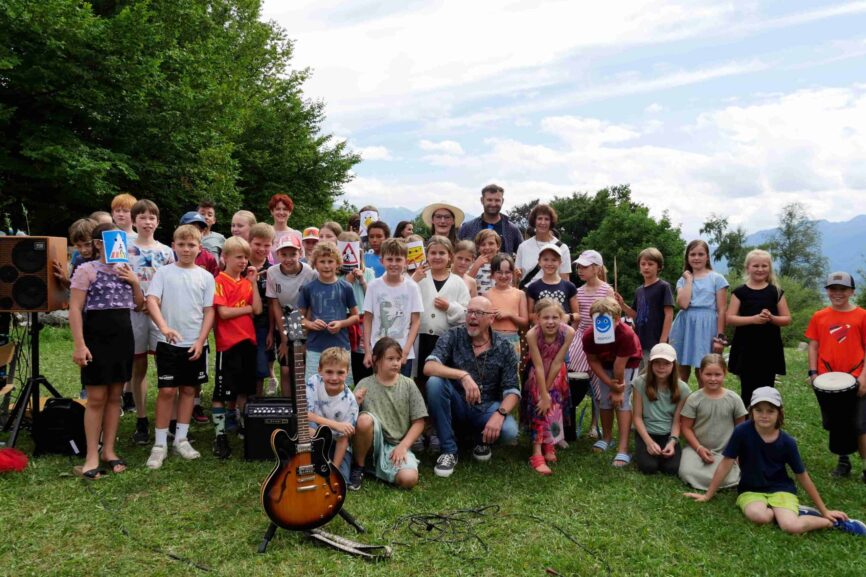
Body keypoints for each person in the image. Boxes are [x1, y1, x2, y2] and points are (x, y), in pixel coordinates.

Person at [685, 387, 866, 537]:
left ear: (779, 413)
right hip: (751, 490)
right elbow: (726, 463)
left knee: (791, 527)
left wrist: (825, 510)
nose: (764, 415)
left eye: (770, 411)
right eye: (759, 410)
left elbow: (802, 476)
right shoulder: (741, 432)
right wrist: (708, 495)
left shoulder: (787, 442)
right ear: (751, 411)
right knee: (758, 517)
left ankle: (831, 523)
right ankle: (790, 511)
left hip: (781, 489)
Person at [69, 223, 144, 479]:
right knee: (97, 399)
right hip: (96, 339)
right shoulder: (86, 270)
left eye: (120, 240)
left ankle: (109, 450)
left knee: (115, 397)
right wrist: (80, 345)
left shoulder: (126, 270)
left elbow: (139, 304)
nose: (117, 245)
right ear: (99, 243)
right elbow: (75, 309)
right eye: (112, 240)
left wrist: (134, 282)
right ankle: (92, 454)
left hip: (123, 338)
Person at [424, 296, 521, 477]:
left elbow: (513, 390)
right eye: (469, 312)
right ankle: (449, 451)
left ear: (491, 318)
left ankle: (479, 440)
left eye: (479, 313)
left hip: (486, 408)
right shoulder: (453, 335)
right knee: (435, 383)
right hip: (457, 405)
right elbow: (429, 366)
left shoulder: (504, 347)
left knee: (509, 431)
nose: (472, 317)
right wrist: (463, 375)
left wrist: (500, 415)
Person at [145, 224, 215, 469]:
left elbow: (209, 311)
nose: (186, 249)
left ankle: (182, 439)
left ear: (199, 248)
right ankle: (160, 443)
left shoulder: (206, 277)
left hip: (195, 344)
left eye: (191, 245)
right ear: (173, 246)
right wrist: (164, 327)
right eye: (181, 245)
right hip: (168, 344)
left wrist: (200, 340)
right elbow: (151, 300)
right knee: (166, 391)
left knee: (188, 391)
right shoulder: (164, 273)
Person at [805, 271, 866, 480]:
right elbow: (813, 346)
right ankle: (844, 461)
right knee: (836, 422)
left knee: (860, 423)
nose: (838, 293)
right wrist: (813, 373)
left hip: (857, 377)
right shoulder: (819, 316)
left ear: (851, 291)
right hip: (828, 380)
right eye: (833, 289)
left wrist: (864, 378)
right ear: (827, 291)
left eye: (843, 289)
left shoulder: (862, 316)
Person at [349, 338, 427, 490]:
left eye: (398, 359)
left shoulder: (408, 385)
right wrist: (354, 402)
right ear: (376, 360)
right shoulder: (364, 384)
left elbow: (419, 422)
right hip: (370, 444)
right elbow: (350, 419)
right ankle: (359, 466)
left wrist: (403, 446)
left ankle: (376, 469)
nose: (396, 363)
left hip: (396, 446)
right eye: (390, 359)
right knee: (364, 420)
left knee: (408, 479)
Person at [128, 199, 176, 445]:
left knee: (165, 367)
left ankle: (169, 421)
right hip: (134, 313)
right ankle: (142, 419)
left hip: (159, 316)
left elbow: (172, 281)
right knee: (138, 368)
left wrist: (156, 305)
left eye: (152, 218)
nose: (147, 222)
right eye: (142, 217)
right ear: (134, 220)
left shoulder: (166, 251)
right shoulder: (123, 248)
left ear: (158, 221)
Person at [209, 236, 261, 459]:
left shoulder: (247, 282)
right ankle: (219, 435)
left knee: (244, 389)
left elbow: (257, 309)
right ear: (226, 257)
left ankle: (242, 424)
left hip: (247, 341)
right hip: (227, 343)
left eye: (246, 258)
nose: (243, 262)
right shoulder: (219, 280)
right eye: (239, 257)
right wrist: (246, 309)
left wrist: (254, 282)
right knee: (222, 391)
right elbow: (223, 313)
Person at [583, 298, 642, 466]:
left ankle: (623, 448)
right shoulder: (589, 335)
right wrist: (610, 384)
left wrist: (618, 389)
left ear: (617, 319)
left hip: (627, 363)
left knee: (622, 402)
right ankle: (607, 438)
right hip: (604, 364)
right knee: (604, 400)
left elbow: (619, 365)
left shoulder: (626, 334)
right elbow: (593, 361)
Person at [726, 249, 790, 404]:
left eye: (764, 266)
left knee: (767, 387)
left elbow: (787, 319)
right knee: (747, 388)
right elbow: (730, 318)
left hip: (769, 347)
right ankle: (748, 420)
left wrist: (772, 318)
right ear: (747, 268)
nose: (760, 269)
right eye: (756, 266)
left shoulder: (776, 292)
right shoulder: (740, 292)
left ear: (770, 268)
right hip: (746, 347)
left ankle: (766, 418)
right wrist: (753, 319)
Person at [678, 354, 747, 490]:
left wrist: (736, 453)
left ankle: (723, 476)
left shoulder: (734, 399)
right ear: (700, 373)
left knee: (733, 467)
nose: (713, 379)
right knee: (686, 471)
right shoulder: (694, 399)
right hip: (697, 449)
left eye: (717, 374)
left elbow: (741, 429)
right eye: (708, 374)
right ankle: (721, 479)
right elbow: (686, 428)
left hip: (726, 451)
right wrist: (699, 448)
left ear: (724, 373)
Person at [522, 298, 575, 474]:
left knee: (554, 404)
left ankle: (549, 443)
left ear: (561, 317)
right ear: (538, 318)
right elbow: (537, 365)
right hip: (538, 372)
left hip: (556, 371)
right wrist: (543, 393)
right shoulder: (532, 334)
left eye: (554, 317)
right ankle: (536, 452)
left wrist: (548, 392)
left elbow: (558, 361)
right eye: (545, 318)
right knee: (540, 401)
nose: (550, 322)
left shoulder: (568, 332)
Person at [566, 249, 613, 436]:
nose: (580, 269)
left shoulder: (607, 290)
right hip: (580, 338)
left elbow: (610, 318)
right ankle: (568, 420)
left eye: (585, 266)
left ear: (597, 268)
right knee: (573, 376)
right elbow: (577, 319)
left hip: (601, 338)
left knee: (599, 383)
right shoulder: (577, 291)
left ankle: (595, 425)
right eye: (579, 266)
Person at [298, 242, 359, 385]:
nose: (326, 266)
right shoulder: (308, 289)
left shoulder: (346, 287)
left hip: (340, 346)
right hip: (315, 347)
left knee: (342, 387)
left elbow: (356, 316)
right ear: (315, 264)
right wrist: (311, 324)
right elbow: (298, 318)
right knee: (313, 388)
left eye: (330, 261)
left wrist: (341, 324)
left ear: (337, 263)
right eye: (322, 262)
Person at [669, 240, 729, 382]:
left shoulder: (717, 279)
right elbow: (683, 304)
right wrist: (689, 279)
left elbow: (722, 310)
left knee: (703, 370)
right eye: (692, 254)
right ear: (687, 257)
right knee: (681, 372)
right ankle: (682, 403)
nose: (696, 258)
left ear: (707, 257)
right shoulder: (683, 280)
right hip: (685, 324)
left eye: (700, 254)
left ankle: (705, 403)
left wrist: (720, 338)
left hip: (707, 326)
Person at [363, 238, 423, 378]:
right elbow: (367, 319)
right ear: (382, 261)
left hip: (402, 352)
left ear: (406, 262)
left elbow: (416, 321)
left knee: (402, 392)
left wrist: (406, 351)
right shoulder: (373, 286)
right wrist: (367, 350)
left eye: (398, 259)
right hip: (378, 352)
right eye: (390, 259)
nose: (394, 264)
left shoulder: (412, 287)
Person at [266, 235, 317, 395]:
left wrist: (304, 333)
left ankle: (302, 401)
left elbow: (311, 304)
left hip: (303, 319)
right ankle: (288, 403)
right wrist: (283, 338)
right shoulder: (272, 273)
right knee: (286, 368)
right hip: (284, 319)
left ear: (300, 253)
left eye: (292, 254)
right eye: (284, 254)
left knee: (301, 366)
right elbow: (274, 304)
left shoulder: (309, 273)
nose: (288, 259)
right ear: (277, 255)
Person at [632, 343, 690, 475]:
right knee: (649, 467)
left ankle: (666, 447)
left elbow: (677, 421)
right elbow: (637, 417)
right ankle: (643, 446)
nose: (661, 367)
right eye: (657, 362)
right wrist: (648, 442)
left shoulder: (683, 389)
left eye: (666, 363)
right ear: (650, 363)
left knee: (671, 469)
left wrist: (672, 441)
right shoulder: (640, 383)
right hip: (646, 431)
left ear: (674, 365)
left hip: (668, 432)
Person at [615, 247, 674, 368]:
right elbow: (636, 315)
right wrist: (622, 304)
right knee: (641, 377)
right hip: (640, 341)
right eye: (643, 264)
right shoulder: (639, 291)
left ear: (659, 267)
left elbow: (669, 313)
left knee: (653, 375)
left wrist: (663, 340)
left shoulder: (663, 287)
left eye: (650, 264)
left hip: (656, 340)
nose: (646, 267)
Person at [307, 347, 359, 481]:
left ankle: (342, 464)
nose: (334, 378)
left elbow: (343, 439)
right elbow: (306, 415)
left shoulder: (351, 402)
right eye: (329, 372)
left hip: (337, 442)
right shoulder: (314, 382)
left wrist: (334, 469)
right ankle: (310, 458)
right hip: (316, 437)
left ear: (347, 372)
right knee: (308, 428)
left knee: (340, 479)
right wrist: (337, 425)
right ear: (320, 370)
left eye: (340, 372)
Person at [337, 231, 375, 383]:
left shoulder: (369, 273)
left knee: (361, 360)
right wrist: (348, 280)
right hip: (342, 320)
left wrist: (361, 280)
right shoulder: (336, 276)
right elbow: (337, 296)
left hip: (362, 320)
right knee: (342, 358)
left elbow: (371, 297)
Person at [248, 223, 276, 395]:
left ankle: (256, 404)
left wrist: (271, 331)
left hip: (263, 324)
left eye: (267, 245)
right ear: (249, 242)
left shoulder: (272, 271)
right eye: (257, 244)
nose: (262, 249)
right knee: (241, 367)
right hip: (241, 323)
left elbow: (273, 303)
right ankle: (235, 406)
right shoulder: (241, 265)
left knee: (260, 367)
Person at [515, 203, 571, 287]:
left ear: (551, 222)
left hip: (553, 296)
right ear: (534, 221)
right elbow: (516, 278)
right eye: (539, 218)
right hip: (527, 295)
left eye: (546, 219)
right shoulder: (523, 247)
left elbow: (565, 280)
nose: (543, 222)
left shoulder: (563, 248)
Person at [458, 183, 522, 255]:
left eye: (497, 200)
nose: (493, 204)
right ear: (482, 200)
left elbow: (522, 255)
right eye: (489, 200)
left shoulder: (512, 230)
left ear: (502, 201)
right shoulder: (467, 228)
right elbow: (457, 254)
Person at [524, 244, 578, 327]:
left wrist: (568, 317)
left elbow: (577, 315)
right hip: (541, 334)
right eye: (545, 259)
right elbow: (530, 315)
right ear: (539, 262)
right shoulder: (533, 287)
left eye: (554, 260)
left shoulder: (569, 286)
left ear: (560, 262)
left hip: (563, 333)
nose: (549, 263)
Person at [486, 253, 528, 358]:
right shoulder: (487, 294)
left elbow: (525, 322)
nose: (503, 276)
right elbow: (482, 321)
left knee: (512, 372)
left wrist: (510, 314)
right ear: (492, 274)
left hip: (512, 339)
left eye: (507, 272)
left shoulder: (519, 294)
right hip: (491, 338)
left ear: (513, 273)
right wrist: (489, 315)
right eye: (499, 272)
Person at [179, 212, 219, 276]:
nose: (195, 233)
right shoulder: (174, 254)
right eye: (191, 229)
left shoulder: (209, 258)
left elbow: (214, 281)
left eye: (200, 230)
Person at [268, 193, 302, 262]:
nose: (281, 212)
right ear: (272, 211)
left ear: (290, 212)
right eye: (278, 209)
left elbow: (301, 259)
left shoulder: (296, 234)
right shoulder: (265, 233)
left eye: (285, 209)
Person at [468, 229, 500, 296]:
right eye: (483, 244)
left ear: (498, 246)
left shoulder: (503, 265)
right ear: (478, 248)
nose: (487, 247)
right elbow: (465, 285)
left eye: (491, 243)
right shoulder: (471, 266)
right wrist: (476, 266)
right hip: (478, 304)